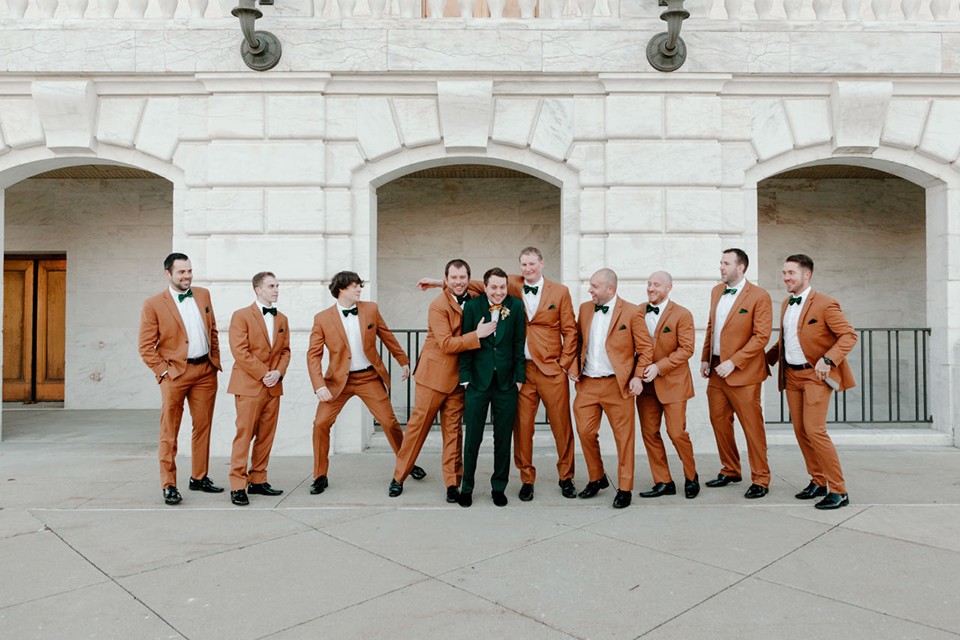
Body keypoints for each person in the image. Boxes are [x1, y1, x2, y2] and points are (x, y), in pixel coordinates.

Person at [307, 271, 420, 496]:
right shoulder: (322, 318)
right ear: (341, 289)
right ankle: (320, 475)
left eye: (360, 285)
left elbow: (386, 335)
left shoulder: (371, 309)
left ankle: (407, 463)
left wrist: (403, 360)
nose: (360, 289)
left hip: (369, 377)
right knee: (320, 424)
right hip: (338, 382)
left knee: (389, 423)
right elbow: (313, 355)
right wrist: (319, 386)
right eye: (355, 286)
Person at [389, 259, 494, 502]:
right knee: (417, 430)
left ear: (469, 279)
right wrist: (477, 335)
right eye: (453, 278)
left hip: (459, 380)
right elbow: (446, 344)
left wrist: (439, 282)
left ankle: (452, 484)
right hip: (433, 378)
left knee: (454, 433)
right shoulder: (438, 305)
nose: (459, 282)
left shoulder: (472, 291)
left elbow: (487, 285)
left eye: (462, 277)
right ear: (447, 279)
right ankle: (398, 477)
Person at [766, 254, 857, 510]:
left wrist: (828, 360)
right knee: (800, 430)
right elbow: (786, 341)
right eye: (784, 273)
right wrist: (765, 360)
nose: (786, 278)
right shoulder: (786, 303)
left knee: (815, 431)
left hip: (816, 376)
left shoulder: (826, 304)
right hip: (792, 376)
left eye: (791, 273)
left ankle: (839, 490)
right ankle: (818, 481)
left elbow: (849, 336)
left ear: (807, 275)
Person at [138, 252, 223, 505]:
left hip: (205, 372)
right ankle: (169, 484)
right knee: (169, 431)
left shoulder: (203, 294)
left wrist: (214, 359)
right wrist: (165, 372)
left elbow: (213, 330)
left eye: (189, 271)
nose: (187, 276)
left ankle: (199, 477)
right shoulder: (153, 304)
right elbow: (145, 347)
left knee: (203, 426)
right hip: (175, 374)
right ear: (168, 274)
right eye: (181, 272)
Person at [569, 268, 653, 509]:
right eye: (590, 286)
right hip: (587, 384)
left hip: (618, 385)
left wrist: (638, 376)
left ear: (610, 289)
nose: (590, 290)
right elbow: (577, 342)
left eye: (594, 286)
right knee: (585, 432)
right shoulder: (585, 309)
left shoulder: (631, 311)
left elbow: (646, 349)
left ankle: (625, 488)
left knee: (624, 439)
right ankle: (597, 478)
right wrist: (573, 367)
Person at [506, 247, 579, 501]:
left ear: (542, 263)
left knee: (562, 426)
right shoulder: (513, 284)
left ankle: (566, 476)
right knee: (523, 428)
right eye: (523, 264)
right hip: (523, 371)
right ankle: (526, 479)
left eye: (532, 264)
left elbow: (571, 331)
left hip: (552, 370)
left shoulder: (560, 292)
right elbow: (482, 283)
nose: (528, 269)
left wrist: (564, 363)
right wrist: (442, 282)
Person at [700, 249, 773, 499]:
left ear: (740, 268)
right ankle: (730, 469)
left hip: (744, 372)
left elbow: (761, 336)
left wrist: (734, 362)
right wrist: (705, 358)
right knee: (719, 422)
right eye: (721, 262)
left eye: (726, 263)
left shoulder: (760, 296)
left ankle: (761, 478)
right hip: (716, 370)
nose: (721, 267)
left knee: (752, 427)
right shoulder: (716, 291)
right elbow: (712, 327)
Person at [458, 267, 526, 508]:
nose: (499, 292)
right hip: (477, 382)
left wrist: (519, 378)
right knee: (472, 438)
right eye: (494, 287)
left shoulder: (516, 307)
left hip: (507, 383)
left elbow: (519, 344)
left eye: (502, 287)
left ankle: (499, 487)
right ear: (485, 287)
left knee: (503, 438)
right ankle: (467, 488)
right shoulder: (473, 307)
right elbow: (466, 342)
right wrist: (465, 378)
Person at [226, 272, 291, 506]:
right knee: (244, 435)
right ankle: (238, 485)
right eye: (271, 286)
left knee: (266, 435)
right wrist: (265, 373)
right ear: (257, 289)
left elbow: (285, 351)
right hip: (249, 385)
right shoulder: (241, 315)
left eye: (277, 286)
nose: (276, 290)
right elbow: (239, 350)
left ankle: (258, 480)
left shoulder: (281, 319)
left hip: (273, 387)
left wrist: (278, 373)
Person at [637, 271, 699, 500]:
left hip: (672, 383)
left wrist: (659, 367)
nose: (651, 288)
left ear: (668, 288)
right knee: (649, 433)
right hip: (645, 386)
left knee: (676, 433)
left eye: (656, 284)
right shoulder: (637, 311)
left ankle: (691, 477)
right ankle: (663, 481)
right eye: (649, 283)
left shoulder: (682, 314)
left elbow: (687, 349)